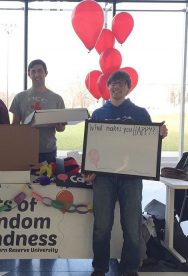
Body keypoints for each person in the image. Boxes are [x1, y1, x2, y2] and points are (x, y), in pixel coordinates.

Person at [86, 71, 168, 276]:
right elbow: (93, 148)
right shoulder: (98, 114)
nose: (116, 87)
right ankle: (99, 267)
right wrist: (91, 169)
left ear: (128, 88)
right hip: (104, 177)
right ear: (108, 87)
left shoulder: (140, 113)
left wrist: (160, 136)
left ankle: (130, 269)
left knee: (132, 227)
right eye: (113, 83)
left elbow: (147, 146)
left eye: (121, 84)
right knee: (102, 226)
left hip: (131, 177)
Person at [9, 59, 65, 163]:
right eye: (33, 71)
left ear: (46, 73)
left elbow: (61, 129)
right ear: (28, 74)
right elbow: (15, 125)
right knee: (24, 179)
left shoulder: (57, 99)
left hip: (48, 150)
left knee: (48, 179)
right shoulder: (19, 97)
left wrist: (59, 126)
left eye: (40, 71)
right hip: (25, 149)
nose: (36, 74)